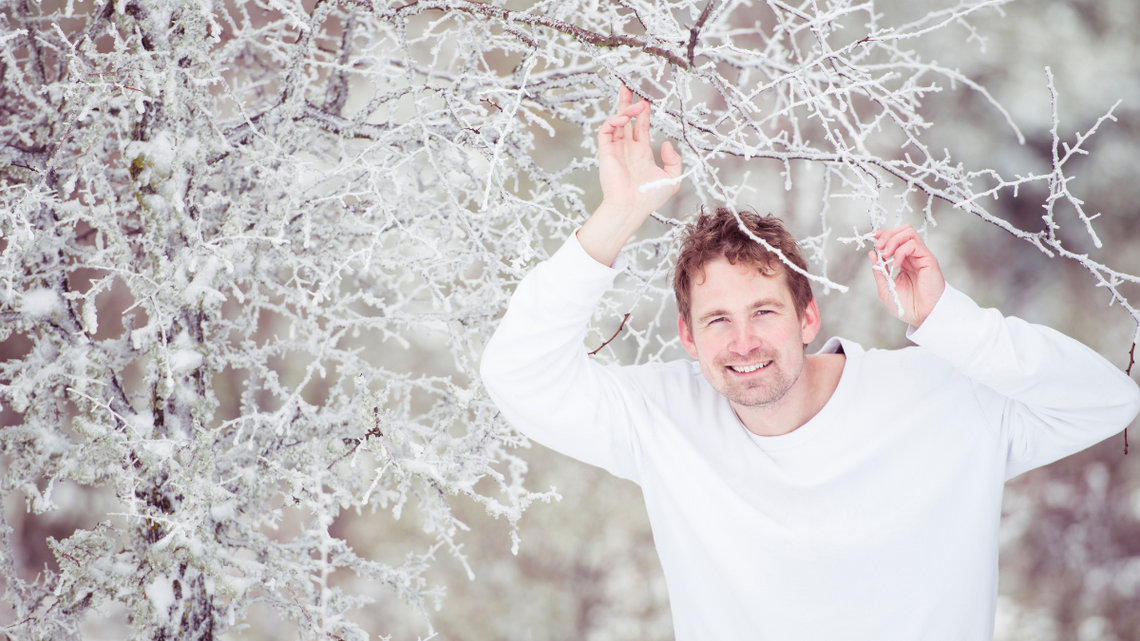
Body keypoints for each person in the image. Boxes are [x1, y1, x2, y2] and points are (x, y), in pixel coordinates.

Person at [479, 86, 1140, 640]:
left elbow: (1107, 400)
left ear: (808, 316)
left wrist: (947, 323)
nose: (743, 342)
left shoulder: (941, 397)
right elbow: (517, 376)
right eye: (718, 320)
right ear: (686, 334)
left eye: (764, 311)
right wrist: (618, 215)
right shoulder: (662, 419)